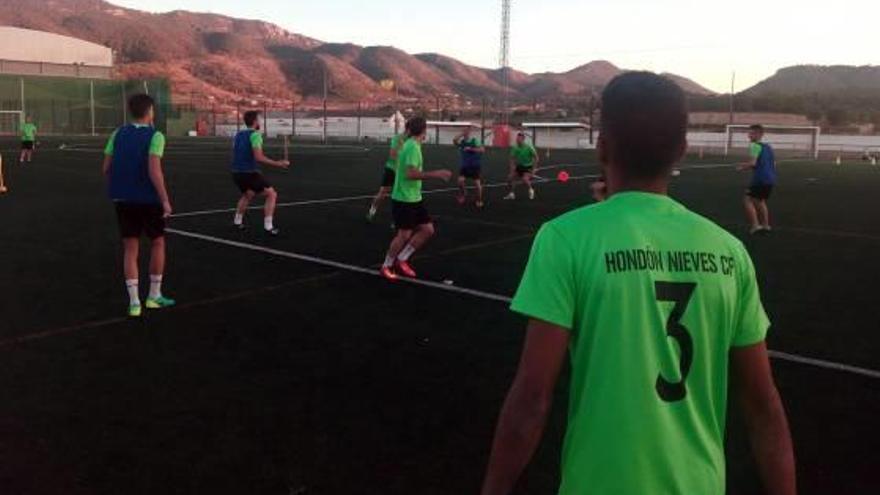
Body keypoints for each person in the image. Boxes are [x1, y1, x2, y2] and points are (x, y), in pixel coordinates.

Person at [481, 73, 795, 495]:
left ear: (602, 146)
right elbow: (764, 409)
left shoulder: (564, 239)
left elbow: (531, 401)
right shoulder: (729, 251)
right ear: (681, 151)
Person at [102, 94, 175, 317]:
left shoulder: (117, 133)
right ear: (150, 111)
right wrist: (164, 199)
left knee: (130, 248)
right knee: (158, 243)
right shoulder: (156, 136)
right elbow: (154, 170)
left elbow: (106, 168)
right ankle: (153, 296)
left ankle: (134, 303)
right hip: (148, 199)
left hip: (123, 199)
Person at [380, 117, 452, 280]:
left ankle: (402, 259)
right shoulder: (412, 146)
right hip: (404, 198)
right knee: (404, 235)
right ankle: (386, 265)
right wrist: (436, 174)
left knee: (427, 230)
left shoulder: (413, 144)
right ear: (424, 130)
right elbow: (410, 174)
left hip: (414, 197)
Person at [231, 111, 290, 235]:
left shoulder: (238, 134)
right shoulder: (256, 135)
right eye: (260, 119)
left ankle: (237, 221)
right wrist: (278, 163)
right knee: (271, 194)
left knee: (248, 194)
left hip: (236, 172)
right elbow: (259, 157)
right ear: (255, 122)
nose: (261, 121)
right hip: (249, 172)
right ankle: (268, 226)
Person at [739, 124, 777, 235]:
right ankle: (766, 225)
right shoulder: (768, 147)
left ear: (758, 134)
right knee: (760, 201)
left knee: (747, 200)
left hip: (760, 179)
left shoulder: (754, 146)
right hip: (770, 179)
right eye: (749, 133)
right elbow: (773, 164)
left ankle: (755, 226)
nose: (748, 135)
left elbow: (752, 163)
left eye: (751, 133)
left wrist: (742, 167)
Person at [367, 131, 405, 222]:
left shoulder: (412, 140)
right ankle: (372, 211)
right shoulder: (397, 138)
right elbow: (392, 154)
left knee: (402, 195)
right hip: (391, 169)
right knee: (382, 193)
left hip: (402, 171)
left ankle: (397, 219)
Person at [453, 125, 486, 208]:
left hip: (474, 166)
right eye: (464, 131)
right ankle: (464, 193)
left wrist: (471, 149)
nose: (465, 132)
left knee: (477, 185)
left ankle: (479, 200)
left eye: (467, 131)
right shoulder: (462, 142)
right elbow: (454, 140)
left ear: (470, 132)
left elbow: (482, 149)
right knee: (460, 181)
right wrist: (461, 134)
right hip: (464, 166)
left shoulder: (474, 141)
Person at [504, 132, 539, 200]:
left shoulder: (529, 147)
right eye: (516, 138)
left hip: (528, 166)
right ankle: (512, 194)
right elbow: (512, 158)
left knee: (524, 179)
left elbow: (536, 158)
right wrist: (512, 168)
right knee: (510, 178)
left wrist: (534, 169)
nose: (517, 139)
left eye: (518, 138)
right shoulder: (515, 147)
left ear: (523, 139)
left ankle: (531, 190)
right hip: (519, 166)